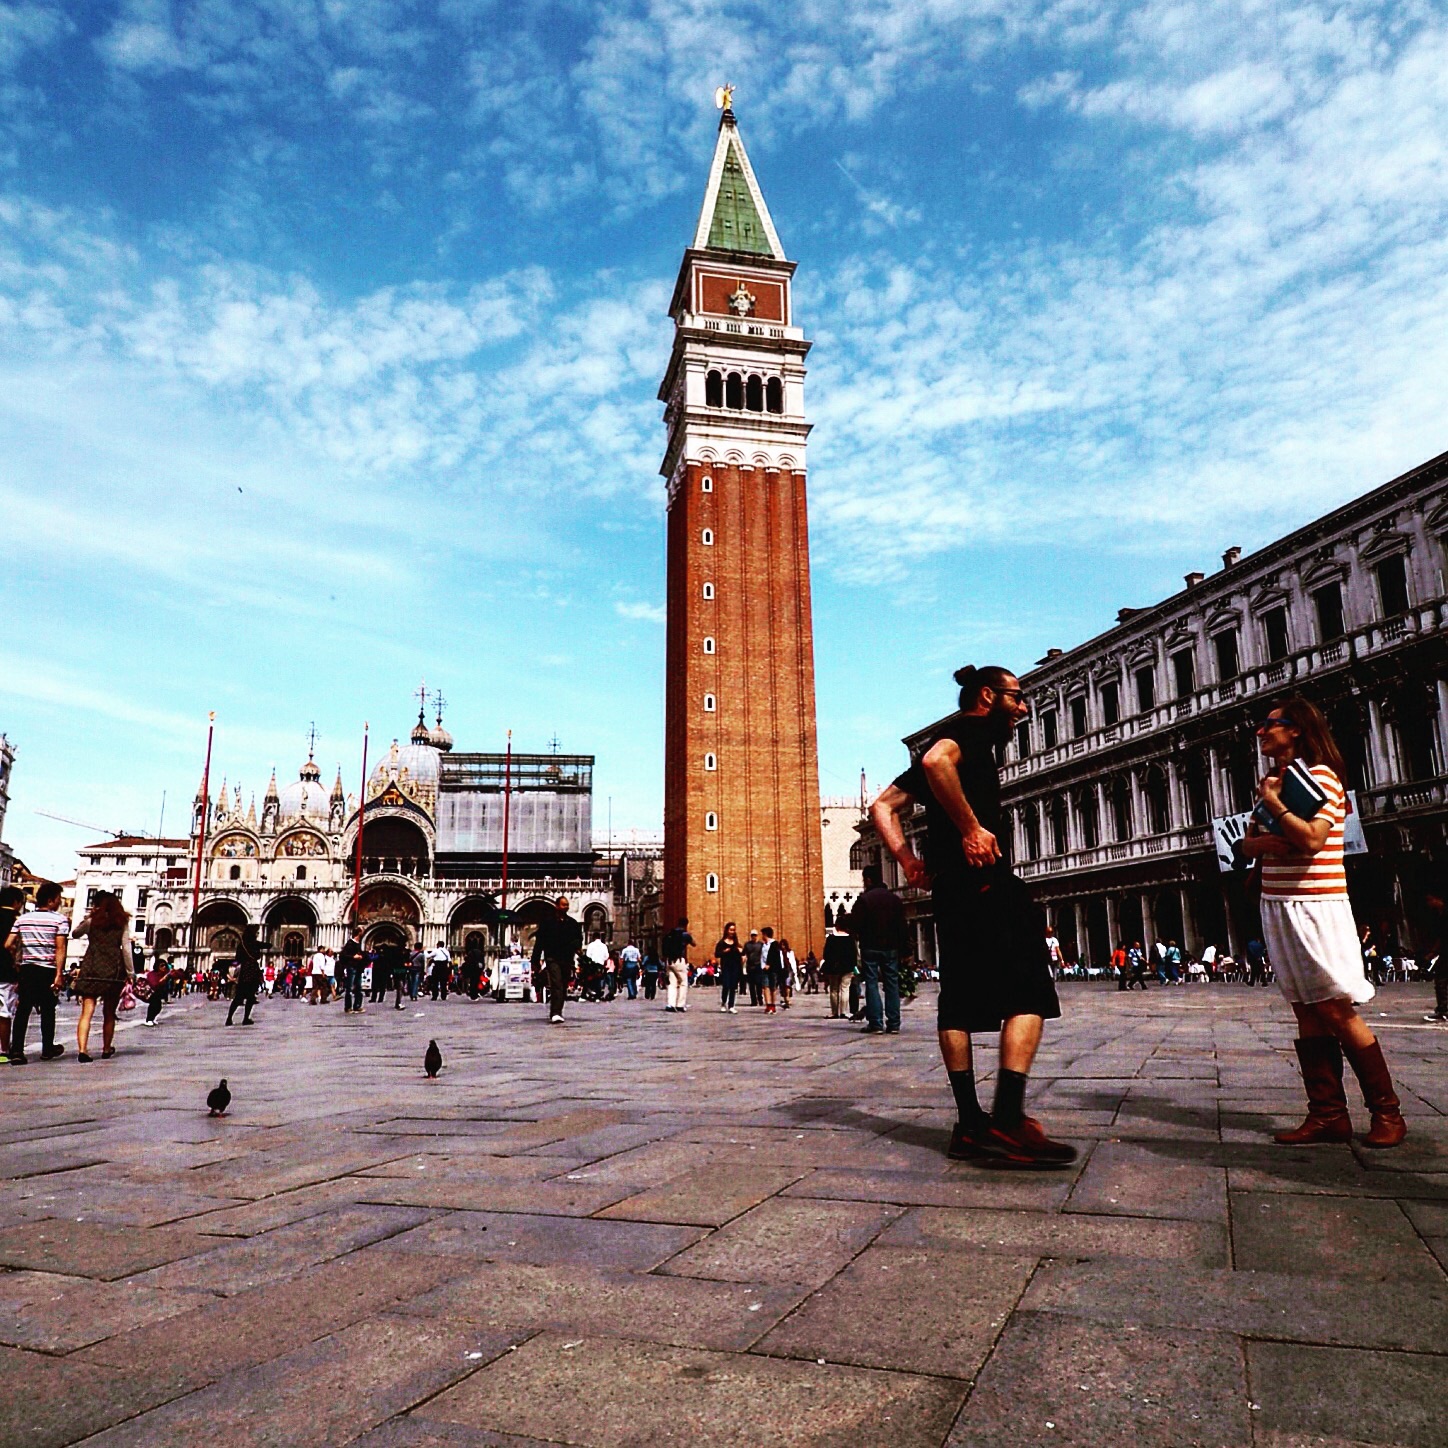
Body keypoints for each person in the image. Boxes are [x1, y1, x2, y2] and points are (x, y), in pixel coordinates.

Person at [870, 664, 1073, 1167]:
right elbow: (940, 761)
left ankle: (970, 1125)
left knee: (958, 1000)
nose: (1023, 708)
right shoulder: (971, 731)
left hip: (949, 889)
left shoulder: (948, 737)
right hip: (985, 880)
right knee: (1029, 990)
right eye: (1017, 698)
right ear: (988, 696)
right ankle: (1007, 1119)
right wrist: (971, 828)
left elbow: (882, 807)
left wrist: (909, 862)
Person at [1238, 696, 1405, 1148]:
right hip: (1278, 903)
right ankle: (1328, 1114)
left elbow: (1312, 840)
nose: (1261, 732)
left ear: (1297, 730)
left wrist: (1276, 812)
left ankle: (1387, 1112)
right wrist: (1275, 837)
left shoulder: (1321, 779)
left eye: (1270, 725)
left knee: (1334, 1007)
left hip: (1316, 904)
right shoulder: (1275, 781)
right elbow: (1249, 845)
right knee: (1305, 1009)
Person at [6, 880, 70, 1064]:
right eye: (58, 898)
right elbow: (60, 948)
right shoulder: (60, 920)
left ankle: (17, 1050)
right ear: (51, 900)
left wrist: (19, 960)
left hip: (27, 968)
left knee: (23, 1009)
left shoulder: (22, 919)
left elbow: (8, 944)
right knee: (48, 1009)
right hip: (47, 969)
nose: (60, 902)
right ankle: (47, 1048)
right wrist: (59, 974)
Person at [71, 890, 133, 1061]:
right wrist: (130, 973)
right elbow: (126, 949)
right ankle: (106, 1049)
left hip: (92, 968)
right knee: (109, 1013)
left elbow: (75, 933)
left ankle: (83, 1050)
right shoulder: (122, 923)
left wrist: (89, 917)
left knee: (86, 1012)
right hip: (113, 971)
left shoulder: (92, 922)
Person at [848, 863, 908, 1034]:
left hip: (870, 947)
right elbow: (902, 927)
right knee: (891, 984)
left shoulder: (864, 900)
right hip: (891, 948)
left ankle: (876, 1023)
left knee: (872, 983)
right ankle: (894, 1023)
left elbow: (856, 923)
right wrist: (906, 950)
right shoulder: (894, 899)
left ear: (868, 880)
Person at [531, 897, 583, 1024]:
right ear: (557, 906)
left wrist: (577, 948)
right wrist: (535, 960)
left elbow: (578, 939)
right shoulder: (548, 923)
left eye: (567, 905)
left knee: (563, 985)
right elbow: (540, 942)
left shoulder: (572, 923)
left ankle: (558, 1009)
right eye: (563, 905)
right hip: (552, 957)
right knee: (556, 983)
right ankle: (555, 1013)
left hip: (566, 958)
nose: (566, 907)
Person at [0, 884, 23, 1058]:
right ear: (16, 902)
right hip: (5, 971)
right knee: (3, 1012)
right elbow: (14, 947)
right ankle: (3, 1050)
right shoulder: (16, 921)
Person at [226, 926, 264, 1025]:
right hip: (252, 971)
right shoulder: (255, 944)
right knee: (251, 997)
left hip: (244, 972)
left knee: (238, 997)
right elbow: (268, 945)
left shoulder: (241, 945)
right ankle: (246, 1018)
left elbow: (237, 958)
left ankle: (229, 1018)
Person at [820, 921, 856, 1019]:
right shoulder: (850, 939)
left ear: (837, 926)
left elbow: (826, 954)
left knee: (834, 990)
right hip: (847, 967)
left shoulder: (831, 939)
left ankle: (834, 1012)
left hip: (833, 967)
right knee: (845, 989)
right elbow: (854, 955)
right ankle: (844, 1012)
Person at [662, 917, 694, 1013]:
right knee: (683, 982)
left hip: (669, 961)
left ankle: (670, 1004)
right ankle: (680, 1005)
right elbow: (694, 944)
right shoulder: (685, 935)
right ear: (686, 924)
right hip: (679, 960)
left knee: (672, 983)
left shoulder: (670, 934)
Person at [715, 922, 744, 1013]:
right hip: (726, 967)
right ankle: (723, 1002)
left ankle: (731, 1005)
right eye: (731, 930)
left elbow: (742, 954)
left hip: (735, 967)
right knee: (726, 985)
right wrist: (725, 951)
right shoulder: (721, 942)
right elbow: (717, 954)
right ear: (727, 930)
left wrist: (741, 952)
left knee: (733, 986)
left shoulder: (736, 943)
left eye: (734, 930)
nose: (732, 932)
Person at [339, 927, 366, 1014]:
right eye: (362, 931)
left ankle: (357, 1006)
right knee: (349, 988)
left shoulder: (359, 944)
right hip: (351, 967)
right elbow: (343, 956)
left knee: (358, 988)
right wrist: (353, 957)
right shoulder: (350, 943)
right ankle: (348, 1007)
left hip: (358, 968)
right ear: (358, 933)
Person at [144, 952, 174, 1025]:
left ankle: (153, 1018)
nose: (163, 967)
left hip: (159, 993)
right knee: (153, 1005)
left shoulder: (164, 974)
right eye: (161, 966)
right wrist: (163, 979)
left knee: (158, 1007)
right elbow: (154, 984)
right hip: (152, 992)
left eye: (164, 965)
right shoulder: (152, 974)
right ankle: (149, 1019)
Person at [760, 927, 784, 1015]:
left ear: (765, 934)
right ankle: (768, 1005)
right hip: (764, 968)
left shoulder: (774, 944)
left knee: (773, 987)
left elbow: (776, 956)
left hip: (773, 969)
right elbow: (762, 956)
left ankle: (773, 1005)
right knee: (765, 986)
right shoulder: (763, 945)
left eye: (762, 934)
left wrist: (769, 964)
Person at [743, 929, 764, 1006]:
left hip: (758, 966)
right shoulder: (747, 945)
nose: (753, 937)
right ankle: (753, 1001)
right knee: (751, 985)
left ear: (757, 936)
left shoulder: (761, 944)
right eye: (752, 935)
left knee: (759, 984)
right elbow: (743, 954)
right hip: (750, 966)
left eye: (755, 935)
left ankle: (760, 999)